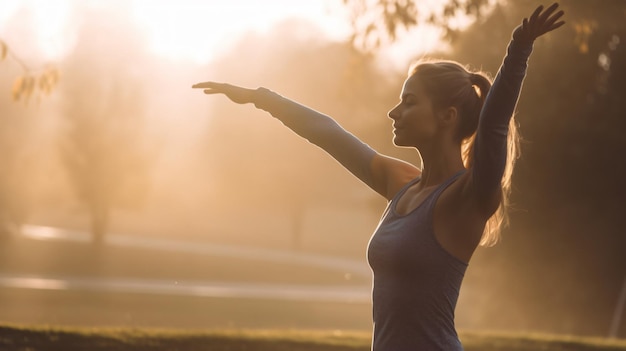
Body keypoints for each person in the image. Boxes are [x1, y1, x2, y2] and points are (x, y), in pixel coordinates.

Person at [193, 3, 564, 350]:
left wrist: (518, 50)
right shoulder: (401, 184)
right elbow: (328, 133)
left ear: (447, 116)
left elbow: (494, 125)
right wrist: (262, 98)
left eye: (410, 102)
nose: (393, 112)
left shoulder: (466, 198)